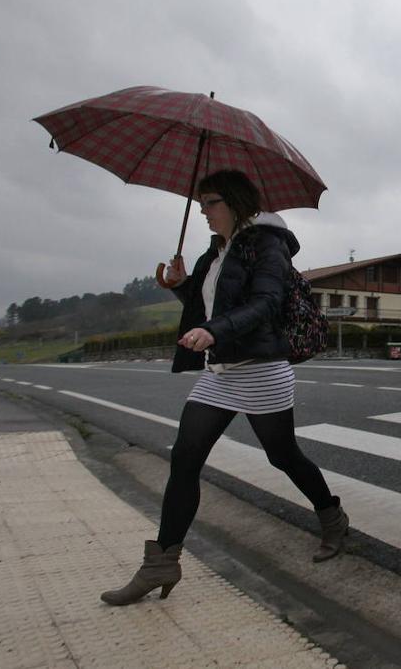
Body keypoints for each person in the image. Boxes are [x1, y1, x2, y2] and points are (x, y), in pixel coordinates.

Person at [101, 170, 348, 606]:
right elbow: (208, 307)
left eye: (210, 203)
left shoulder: (267, 244)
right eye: (200, 204)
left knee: (283, 455)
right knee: (185, 458)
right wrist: (182, 286)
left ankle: (331, 515)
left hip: (262, 369)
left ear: (235, 202)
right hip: (221, 373)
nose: (203, 212)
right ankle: (162, 563)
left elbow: (266, 304)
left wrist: (214, 330)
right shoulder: (214, 253)